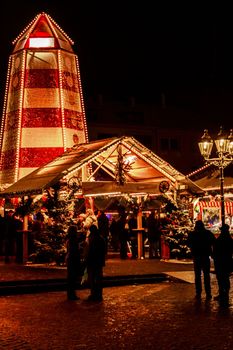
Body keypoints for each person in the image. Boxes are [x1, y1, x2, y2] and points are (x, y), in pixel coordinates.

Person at [188, 220, 215, 300]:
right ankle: (208, 293)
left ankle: (198, 292)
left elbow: (189, 243)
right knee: (206, 275)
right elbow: (213, 242)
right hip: (205, 256)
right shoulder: (208, 233)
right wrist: (212, 252)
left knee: (197, 275)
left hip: (197, 256)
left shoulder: (192, 234)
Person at [213, 224, 233, 306]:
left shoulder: (219, 240)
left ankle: (222, 293)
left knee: (221, 278)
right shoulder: (230, 239)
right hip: (227, 261)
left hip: (220, 261)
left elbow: (215, 251)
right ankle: (225, 294)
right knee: (225, 277)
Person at [85, 224, 106, 302]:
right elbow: (104, 250)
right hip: (99, 261)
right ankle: (98, 294)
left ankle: (94, 294)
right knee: (98, 278)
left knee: (92, 278)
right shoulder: (100, 238)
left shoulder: (91, 239)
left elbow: (89, 251)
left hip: (92, 261)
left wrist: (87, 259)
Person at [65, 225, 82, 301]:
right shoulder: (73, 239)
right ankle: (72, 294)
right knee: (72, 277)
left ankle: (71, 294)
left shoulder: (69, 239)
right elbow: (74, 250)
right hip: (73, 259)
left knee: (71, 277)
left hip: (70, 258)